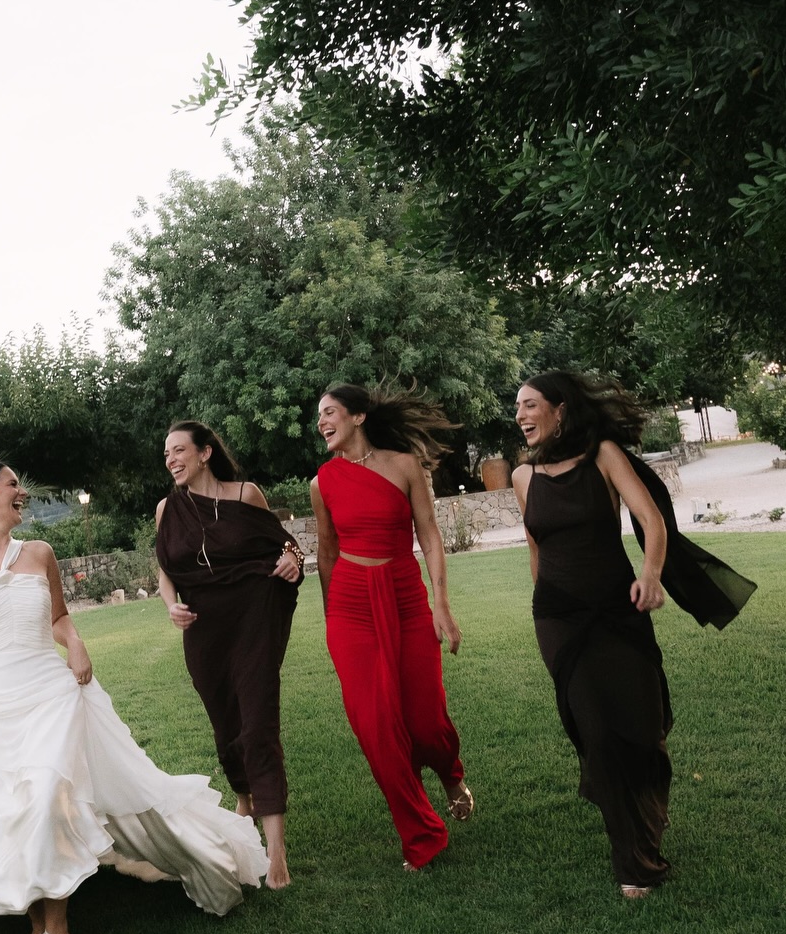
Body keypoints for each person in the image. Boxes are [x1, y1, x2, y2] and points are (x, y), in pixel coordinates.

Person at [0, 462, 269, 934]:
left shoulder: (40, 554)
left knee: (51, 790)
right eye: (13, 484)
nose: (22, 491)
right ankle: (38, 924)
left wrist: (74, 643)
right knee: (12, 810)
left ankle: (59, 926)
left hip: (50, 690)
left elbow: (58, 618)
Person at [512, 372, 755, 897]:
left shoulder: (603, 456)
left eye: (530, 405)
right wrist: (546, 611)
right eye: (517, 409)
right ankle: (634, 864)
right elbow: (536, 551)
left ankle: (645, 810)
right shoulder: (522, 479)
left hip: (619, 607)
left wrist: (649, 576)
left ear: (559, 409)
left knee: (644, 731)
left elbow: (652, 521)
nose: (521, 416)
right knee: (597, 733)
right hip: (559, 618)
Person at [310, 385, 472, 873]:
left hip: (404, 595)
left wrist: (440, 604)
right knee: (376, 727)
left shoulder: (404, 466)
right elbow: (327, 551)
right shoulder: (321, 482)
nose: (321, 421)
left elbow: (429, 534)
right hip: (351, 606)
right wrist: (331, 619)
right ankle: (421, 833)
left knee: (425, 719)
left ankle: (449, 772)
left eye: (330, 412)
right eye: (318, 415)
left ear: (358, 415)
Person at [154, 422, 304, 889]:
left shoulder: (246, 495)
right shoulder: (166, 508)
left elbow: (285, 545)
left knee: (258, 723)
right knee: (227, 728)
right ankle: (244, 796)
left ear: (204, 453)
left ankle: (275, 848)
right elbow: (164, 571)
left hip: (252, 620)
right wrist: (171, 607)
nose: (171, 459)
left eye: (179, 450)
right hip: (203, 631)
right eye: (166, 454)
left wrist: (292, 561)